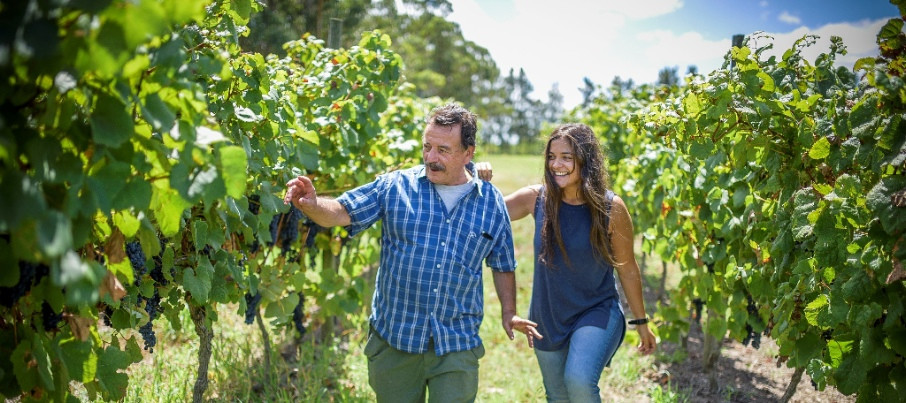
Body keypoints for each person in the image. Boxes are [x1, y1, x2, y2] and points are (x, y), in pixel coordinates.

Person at [283, 104, 541, 403]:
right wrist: (314, 205)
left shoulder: (490, 202)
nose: (431, 157)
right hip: (396, 341)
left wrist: (509, 313)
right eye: (427, 147)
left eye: (443, 150)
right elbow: (343, 211)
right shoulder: (395, 187)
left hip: (456, 342)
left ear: (468, 153)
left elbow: (503, 263)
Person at [476, 123, 656, 402]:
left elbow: (628, 269)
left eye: (566, 157)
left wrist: (641, 321)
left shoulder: (611, 208)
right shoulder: (536, 199)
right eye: (551, 156)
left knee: (579, 382)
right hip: (547, 317)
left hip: (596, 310)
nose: (556, 164)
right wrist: (477, 176)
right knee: (557, 396)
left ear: (586, 160)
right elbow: (485, 212)